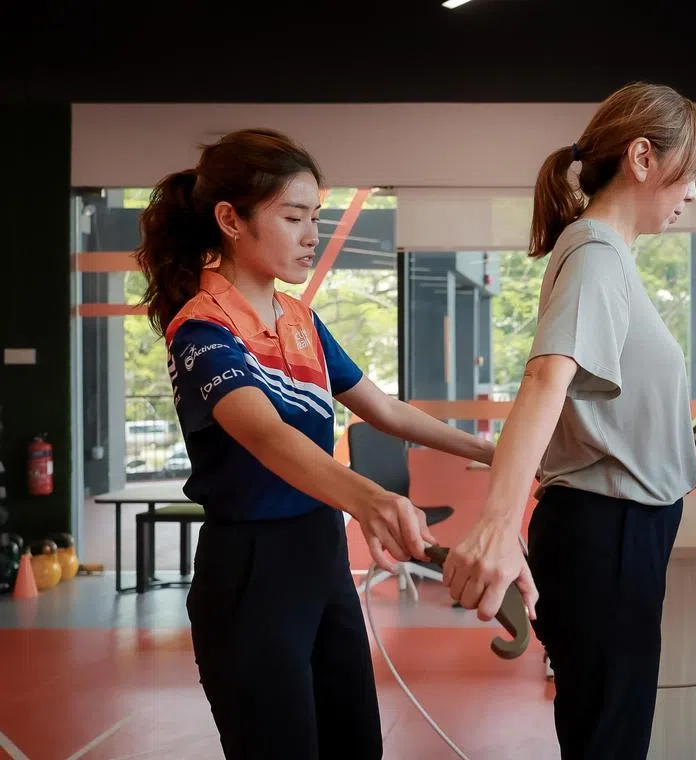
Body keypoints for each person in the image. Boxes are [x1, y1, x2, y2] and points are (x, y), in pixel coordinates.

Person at [135, 128, 495, 759]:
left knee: (357, 745)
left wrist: (497, 452)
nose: (311, 235)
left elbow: (383, 409)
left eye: (316, 218)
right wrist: (371, 499)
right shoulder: (200, 328)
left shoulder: (300, 321)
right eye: (293, 217)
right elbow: (267, 437)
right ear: (230, 219)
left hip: (320, 556)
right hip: (250, 570)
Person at [441, 82, 696, 759]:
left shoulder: (604, 254)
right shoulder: (595, 253)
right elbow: (546, 380)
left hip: (618, 533)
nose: (692, 195)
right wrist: (498, 527)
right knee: (609, 743)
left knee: (607, 737)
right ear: (643, 157)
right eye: (692, 176)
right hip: (608, 533)